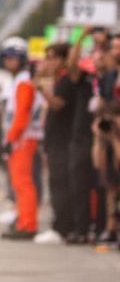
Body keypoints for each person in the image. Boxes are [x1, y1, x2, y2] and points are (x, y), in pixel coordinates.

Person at [35, 31, 95, 244]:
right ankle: (63, 224)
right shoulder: (61, 80)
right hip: (57, 140)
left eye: (52, 58)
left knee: (62, 183)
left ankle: (63, 226)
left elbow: (58, 104)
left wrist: (42, 88)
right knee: (58, 182)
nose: (48, 62)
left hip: (65, 140)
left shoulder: (69, 80)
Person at [0, 37, 43, 240]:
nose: (9, 61)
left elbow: (22, 113)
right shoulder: (17, 80)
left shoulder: (23, 81)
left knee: (23, 183)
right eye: (7, 57)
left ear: (22, 59)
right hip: (18, 137)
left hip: (22, 138)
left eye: (14, 58)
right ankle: (22, 220)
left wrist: (11, 138)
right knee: (19, 183)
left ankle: (28, 224)